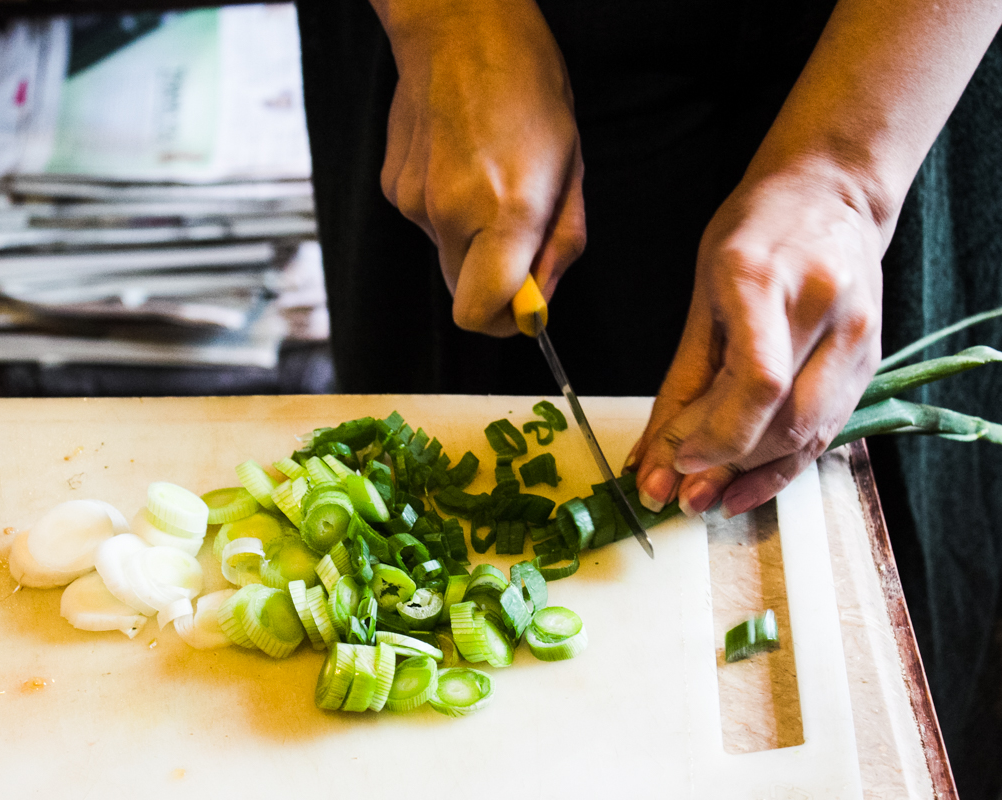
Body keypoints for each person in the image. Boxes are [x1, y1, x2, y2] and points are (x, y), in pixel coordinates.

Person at [294, 1, 1002, 795]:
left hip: (903, 52)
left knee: (882, 623)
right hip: (474, 60)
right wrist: (444, 21)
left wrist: (848, 175)